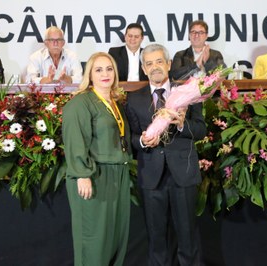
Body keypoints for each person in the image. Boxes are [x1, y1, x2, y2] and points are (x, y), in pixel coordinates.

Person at [125, 43, 206, 265]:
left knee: (188, 238)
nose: (155, 67)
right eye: (149, 63)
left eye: (159, 61)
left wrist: (182, 125)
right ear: (143, 68)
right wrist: (142, 140)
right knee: (156, 240)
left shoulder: (188, 92)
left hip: (183, 175)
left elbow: (201, 130)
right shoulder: (134, 99)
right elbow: (130, 138)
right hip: (151, 177)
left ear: (169, 64)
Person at [62, 52, 131, 266]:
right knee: (94, 242)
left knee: (115, 240)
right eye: (98, 69)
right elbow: (75, 140)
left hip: (118, 174)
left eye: (109, 69)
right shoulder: (81, 103)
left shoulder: (115, 103)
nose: (105, 74)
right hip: (93, 176)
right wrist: (82, 175)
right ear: (89, 74)